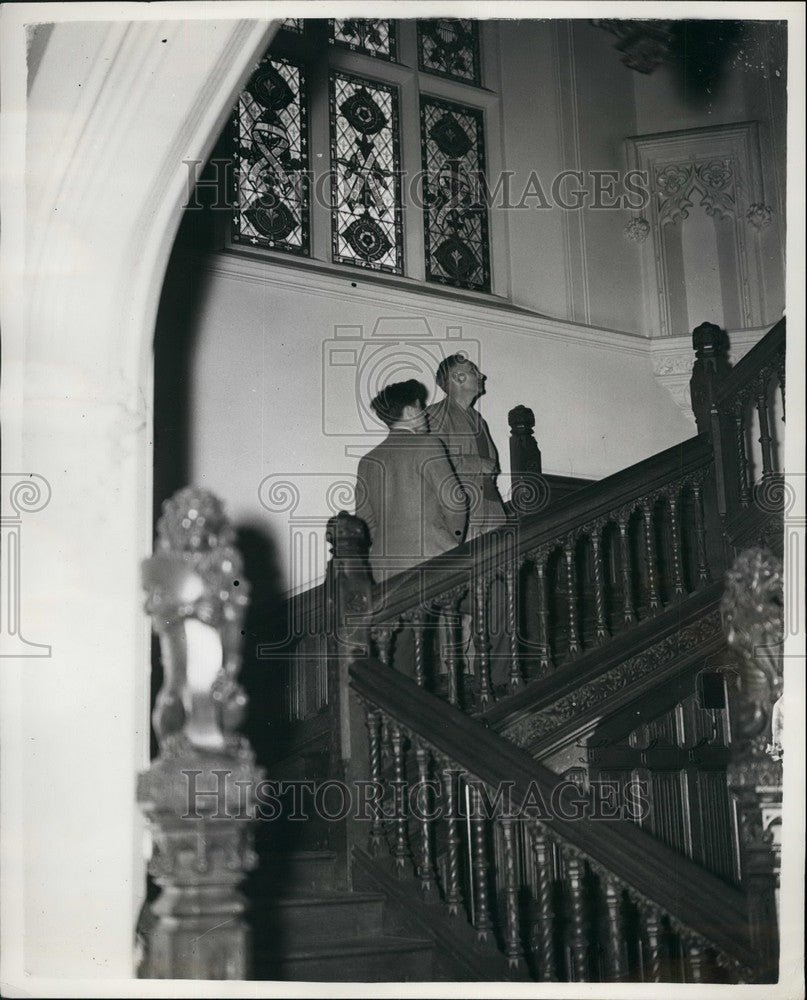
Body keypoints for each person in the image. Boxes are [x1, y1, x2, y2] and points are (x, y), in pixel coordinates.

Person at [355, 379, 467, 583]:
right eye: (420, 408)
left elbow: (365, 521)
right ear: (409, 411)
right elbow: (455, 502)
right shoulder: (428, 444)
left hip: (385, 571)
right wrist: (451, 541)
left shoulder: (367, 462)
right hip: (433, 558)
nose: (425, 414)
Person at [425, 354, 507, 539]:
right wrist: (477, 464)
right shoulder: (435, 415)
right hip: (460, 514)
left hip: (493, 509)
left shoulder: (479, 420)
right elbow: (433, 463)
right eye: (473, 371)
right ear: (457, 377)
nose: (481, 375)